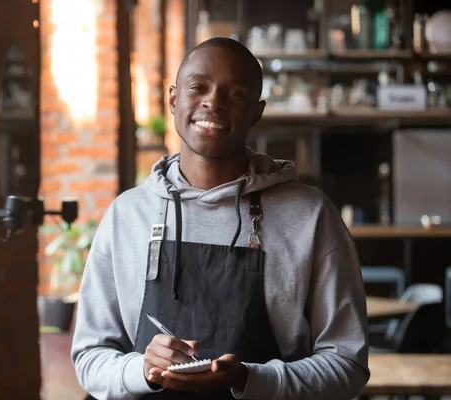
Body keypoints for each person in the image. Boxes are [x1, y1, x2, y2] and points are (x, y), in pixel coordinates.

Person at [71, 37, 370, 399]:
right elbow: (90, 357)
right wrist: (142, 370)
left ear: (256, 113)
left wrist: (249, 380)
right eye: (198, 87)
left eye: (235, 94)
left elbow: (347, 364)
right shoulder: (127, 215)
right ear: (173, 98)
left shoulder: (311, 217)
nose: (213, 102)